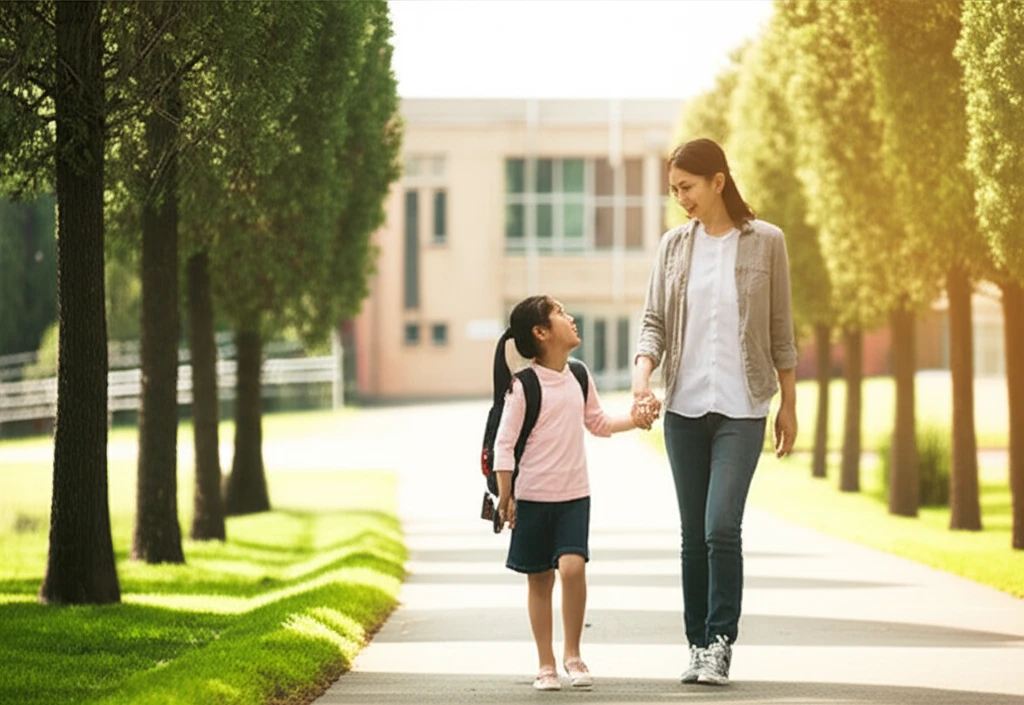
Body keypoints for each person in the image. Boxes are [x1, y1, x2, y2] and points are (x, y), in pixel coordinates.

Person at [631, 138, 798, 686]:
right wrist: (642, 379)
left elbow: (780, 330)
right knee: (692, 535)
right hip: (684, 407)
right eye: (674, 190)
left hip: (743, 406)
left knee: (720, 526)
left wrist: (788, 403)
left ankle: (721, 643)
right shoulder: (674, 247)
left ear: (718, 182)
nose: (681, 199)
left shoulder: (767, 242)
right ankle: (698, 644)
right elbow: (653, 321)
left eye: (688, 187)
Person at [493, 294, 660, 691]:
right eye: (560, 313)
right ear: (541, 332)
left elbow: (598, 422)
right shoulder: (523, 385)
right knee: (539, 581)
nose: (570, 319)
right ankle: (545, 664)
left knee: (572, 568)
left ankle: (573, 654)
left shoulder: (579, 375)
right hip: (532, 499)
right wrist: (505, 496)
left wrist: (635, 420)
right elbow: (504, 444)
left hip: (573, 497)